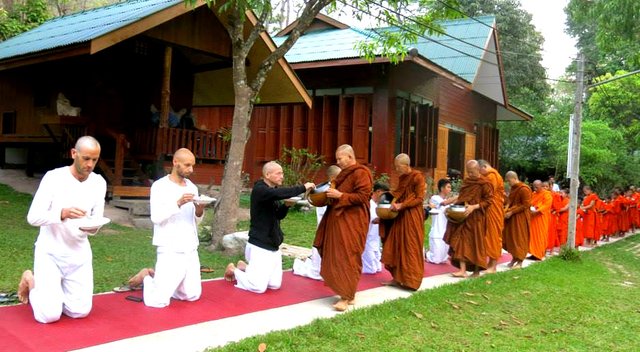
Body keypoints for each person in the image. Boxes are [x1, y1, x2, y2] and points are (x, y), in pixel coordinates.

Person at [18, 136, 107, 323]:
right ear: (74, 153)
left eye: (95, 160)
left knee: (80, 312)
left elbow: (96, 219)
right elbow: (33, 217)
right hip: (51, 252)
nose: (90, 164)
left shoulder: (99, 183)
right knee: (49, 315)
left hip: (79, 253)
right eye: (86, 158)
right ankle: (31, 280)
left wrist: (92, 227)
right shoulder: (53, 178)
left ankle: (53, 293)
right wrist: (62, 213)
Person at [127, 148, 207, 308]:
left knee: (192, 295)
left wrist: (200, 209)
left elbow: (195, 220)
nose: (191, 169)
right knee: (158, 302)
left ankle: (164, 281)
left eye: (192, 165)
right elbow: (156, 217)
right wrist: (178, 203)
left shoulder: (192, 187)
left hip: (190, 246)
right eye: (187, 165)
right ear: (175, 162)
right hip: (169, 246)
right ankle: (147, 278)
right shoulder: (159, 186)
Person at [226, 161, 314, 293]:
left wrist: (286, 206)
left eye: (282, 173)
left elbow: (278, 215)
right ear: (267, 175)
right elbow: (281, 194)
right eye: (278, 173)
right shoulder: (260, 190)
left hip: (273, 245)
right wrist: (303, 187)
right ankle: (234, 270)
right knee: (258, 288)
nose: (282, 176)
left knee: (274, 285)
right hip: (259, 245)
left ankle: (245, 267)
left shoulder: (273, 191)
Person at [313, 144, 372, 311]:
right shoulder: (342, 175)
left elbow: (363, 196)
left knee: (348, 256)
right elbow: (333, 191)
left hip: (353, 222)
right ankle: (349, 294)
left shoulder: (361, 173)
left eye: (340, 158)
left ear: (350, 157)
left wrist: (341, 196)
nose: (338, 162)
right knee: (338, 255)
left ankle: (345, 297)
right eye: (337, 159)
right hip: (338, 220)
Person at [380, 154, 426, 290]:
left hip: (412, 216)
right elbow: (398, 194)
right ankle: (396, 278)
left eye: (398, 167)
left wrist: (402, 205)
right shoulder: (403, 178)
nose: (397, 170)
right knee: (396, 245)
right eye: (395, 167)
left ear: (406, 165)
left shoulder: (418, 177)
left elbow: (419, 198)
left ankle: (411, 281)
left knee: (410, 246)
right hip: (400, 216)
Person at [444, 160, 493, 278]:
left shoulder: (485, 183)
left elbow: (489, 201)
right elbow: (462, 197)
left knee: (475, 243)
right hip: (464, 216)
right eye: (468, 172)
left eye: (472, 172)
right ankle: (462, 270)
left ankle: (476, 271)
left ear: (479, 170)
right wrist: (451, 207)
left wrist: (473, 207)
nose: (470, 175)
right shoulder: (467, 182)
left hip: (477, 218)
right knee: (461, 242)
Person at [293, 165, 341, 281]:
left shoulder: (335, 189)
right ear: (334, 177)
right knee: (317, 268)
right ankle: (298, 266)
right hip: (324, 226)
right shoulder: (323, 191)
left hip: (334, 226)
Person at [478, 160, 504, 274]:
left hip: (494, 209)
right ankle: (490, 264)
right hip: (489, 209)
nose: (480, 174)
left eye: (480, 171)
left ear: (484, 167)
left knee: (493, 236)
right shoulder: (491, 175)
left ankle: (493, 266)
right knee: (488, 236)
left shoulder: (492, 176)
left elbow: (488, 192)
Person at [502, 171, 531, 269]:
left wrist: (511, 212)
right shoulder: (513, 188)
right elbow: (510, 202)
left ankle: (520, 261)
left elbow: (526, 205)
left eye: (509, 181)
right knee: (511, 238)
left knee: (519, 238)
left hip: (521, 218)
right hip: (512, 218)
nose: (508, 183)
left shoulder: (524, 189)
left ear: (514, 178)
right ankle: (514, 258)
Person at [425, 179, 456, 264]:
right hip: (436, 232)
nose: (450, 189)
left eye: (450, 187)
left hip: (445, 233)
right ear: (442, 188)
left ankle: (431, 252)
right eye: (448, 187)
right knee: (436, 260)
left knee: (443, 260)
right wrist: (458, 196)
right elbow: (443, 203)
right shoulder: (435, 198)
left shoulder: (450, 201)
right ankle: (426, 254)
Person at [362, 182, 389, 274]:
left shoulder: (380, 205)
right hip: (367, 241)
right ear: (378, 192)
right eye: (384, 194)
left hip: (376, 241)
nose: (385, 197)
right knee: (371, 270)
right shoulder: (368, 204)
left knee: (378, 269)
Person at [528, 180, 553, 260]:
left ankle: (539, 254)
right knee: (533, 236)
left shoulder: (547, 194)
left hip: (541, 217)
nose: (535, 188)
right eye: (534, 187)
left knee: (540, 235)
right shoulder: (533, 194)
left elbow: (547, 205)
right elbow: (530, 202)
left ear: (541, 186)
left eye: (536, 187)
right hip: (533, 218)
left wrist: (537, 210)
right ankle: (533, 253)